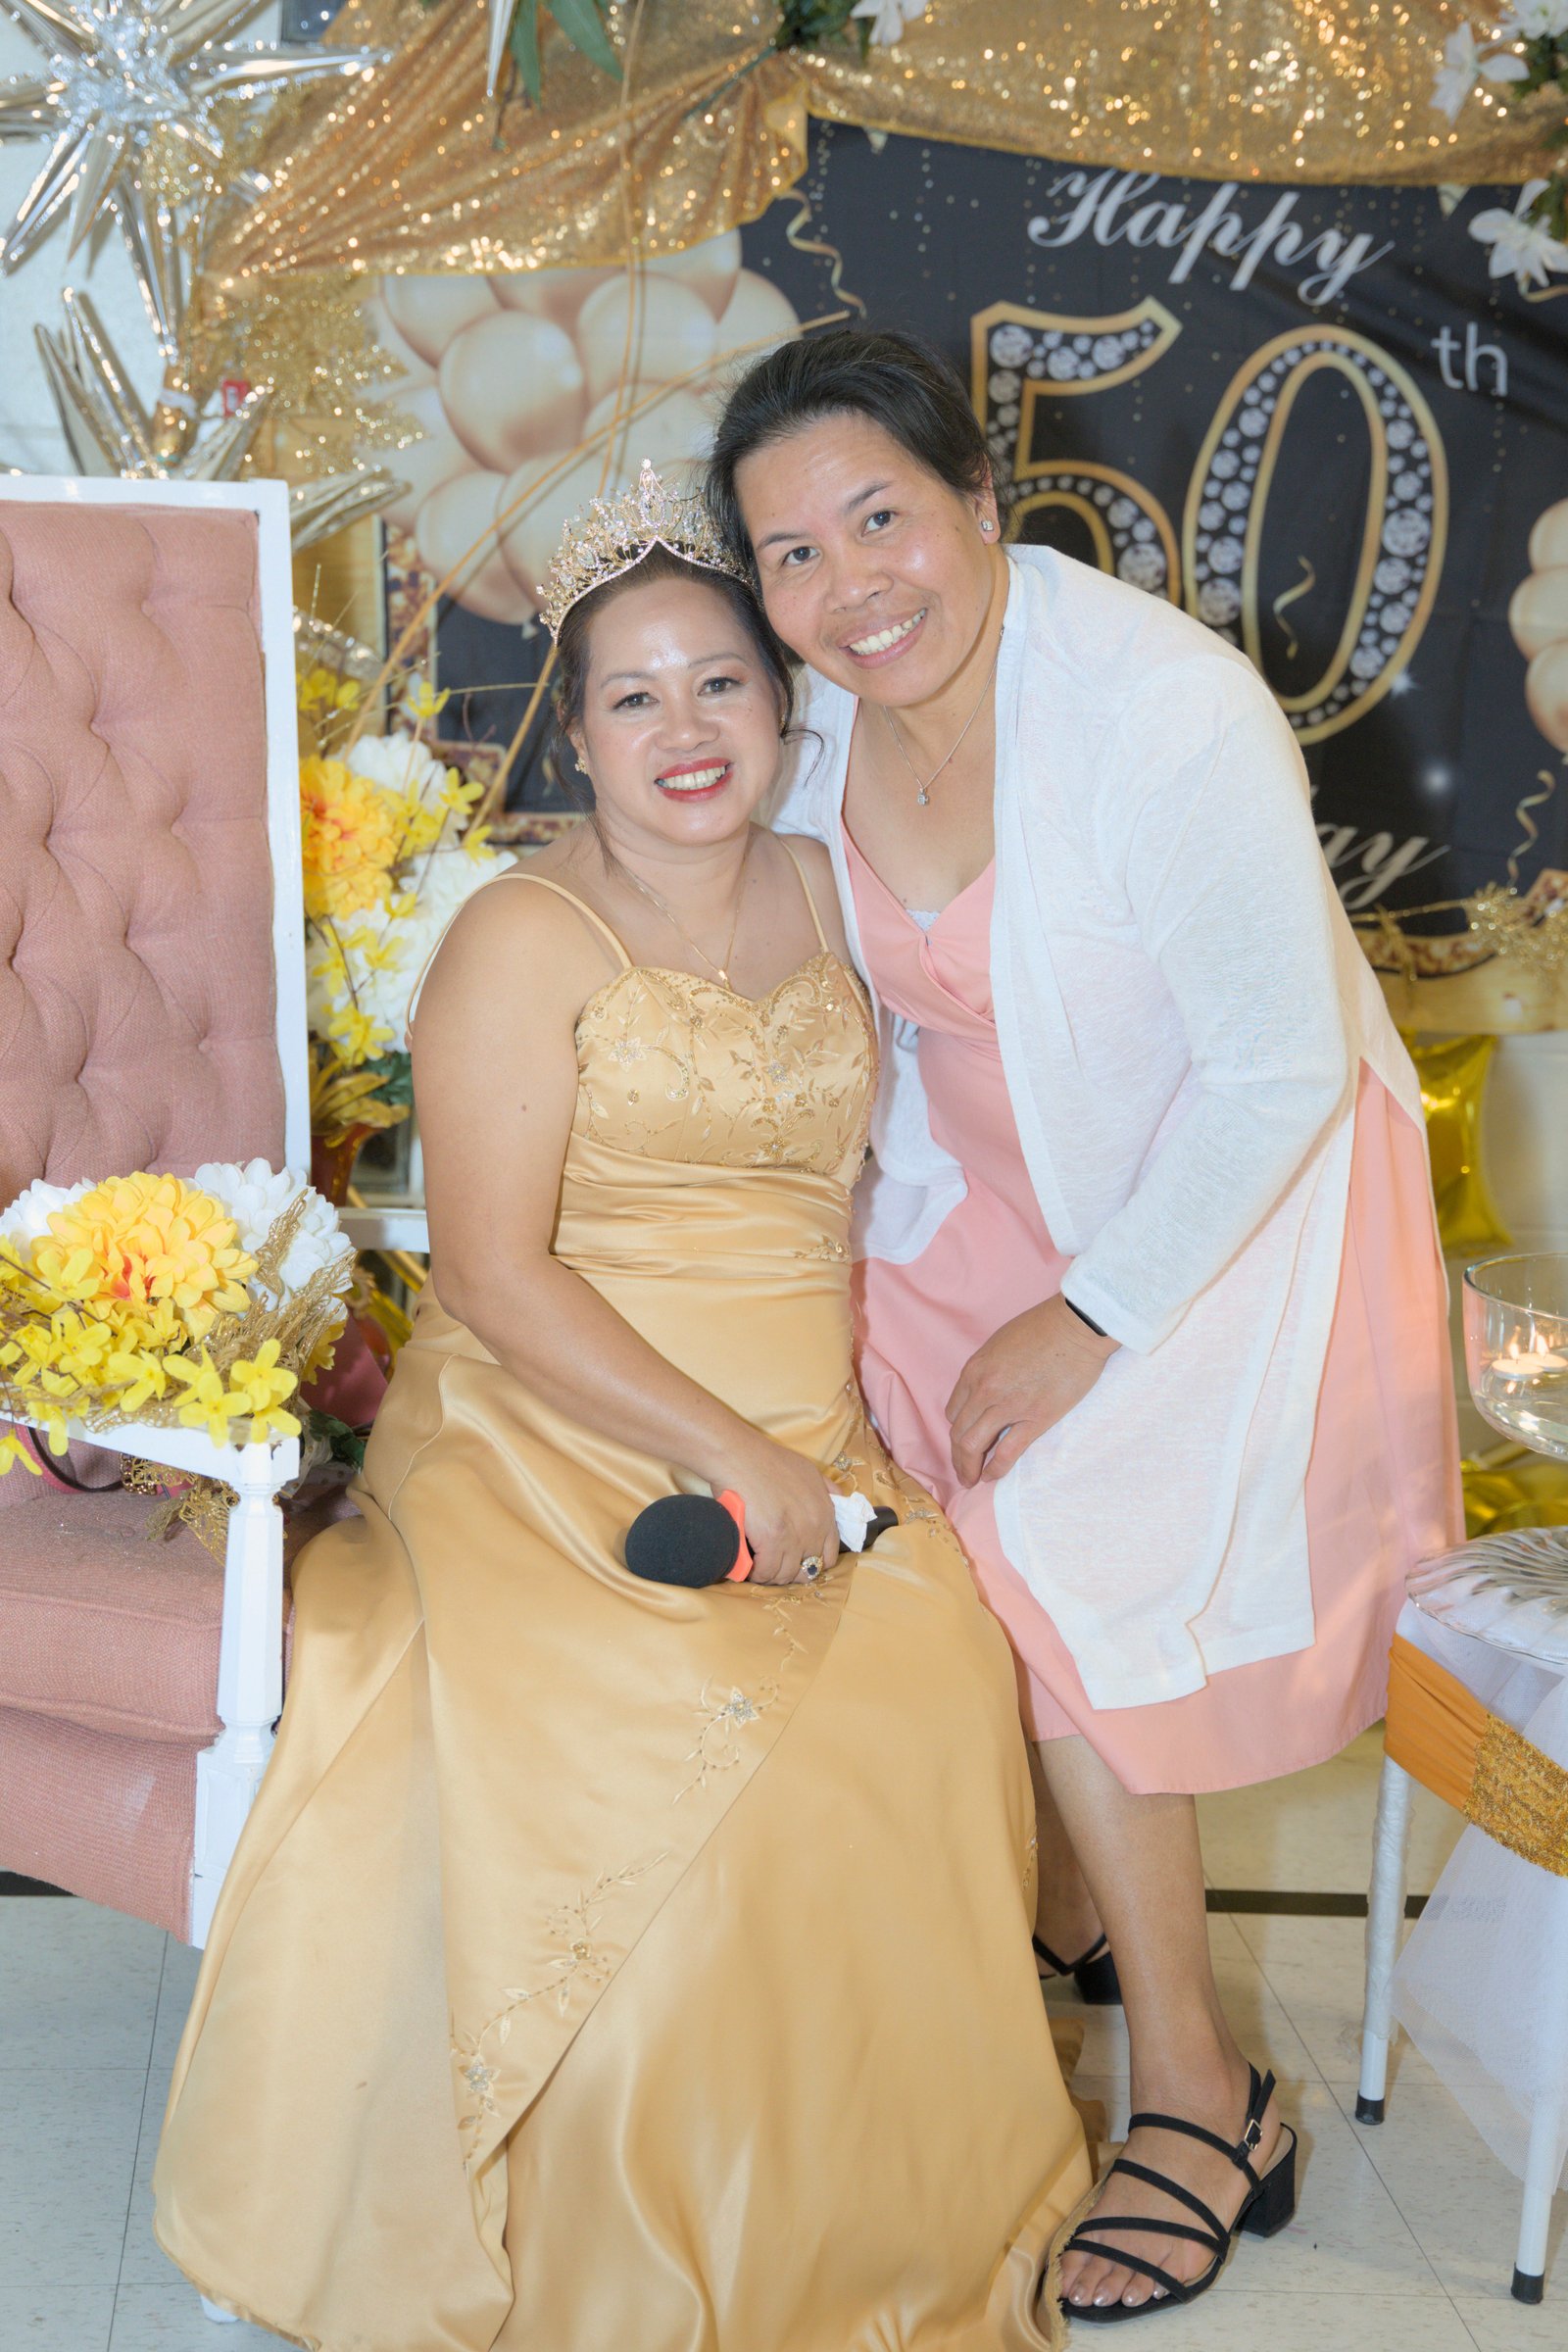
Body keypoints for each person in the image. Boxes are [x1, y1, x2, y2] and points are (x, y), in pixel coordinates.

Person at [152, 464, 1091, 2352]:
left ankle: (874, 2223)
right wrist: (731, 1454)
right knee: (665, 1740)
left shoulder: (829, 887)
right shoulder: (520, 936)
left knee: (925, 1670)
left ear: (784, 704)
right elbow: (498, 1275)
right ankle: (628, 2230)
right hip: (552, 1418)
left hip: (808, 1426)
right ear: (572, 736)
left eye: (722, 683)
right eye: (634, 696)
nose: (686, 730)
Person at [708, 330, 1461, 2322]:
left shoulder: (1161, 709)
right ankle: (1021, 1934)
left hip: (1225, 1215)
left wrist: (1086, 1321)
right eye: (791, 554)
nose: (849, 585)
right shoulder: (815, 718)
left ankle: (1200, 2096)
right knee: (822, 1469)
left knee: (1040, 1545)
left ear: (979, 499)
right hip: (973, 1195)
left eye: (881, 516)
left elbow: (1276, 1069)